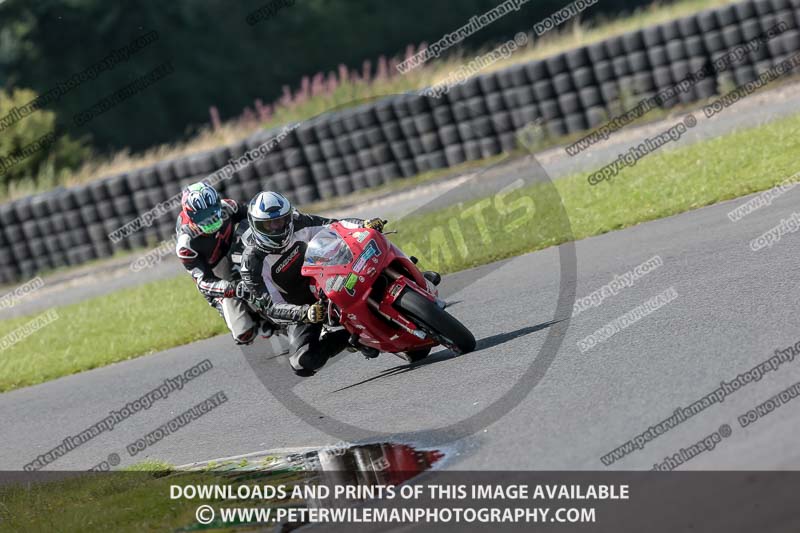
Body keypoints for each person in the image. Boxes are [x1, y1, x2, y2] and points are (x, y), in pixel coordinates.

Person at [239, 191, 440, 377]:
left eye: (282, 221)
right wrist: (304, 313)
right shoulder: (252, 263)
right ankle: (349, 336)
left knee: (371, 244)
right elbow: (270, 306)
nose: (278, 228)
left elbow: (336, 225)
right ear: (255, 225)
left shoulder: (299, 222)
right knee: (303, 363)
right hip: (302, 307)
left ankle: (414, 276)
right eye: (269, 225)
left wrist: (364, 224)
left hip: (328, 275)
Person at [175, 181, 273, 345]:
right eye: (201, 216)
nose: (210, 218)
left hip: (237, 248)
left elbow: (257, 217)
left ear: (217, 203)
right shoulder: (186, 244)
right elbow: (202, 281)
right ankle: (257, 318)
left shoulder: (228, 207)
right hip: (215, 271)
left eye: (212, 210)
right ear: (191, 215)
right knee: (243, 333)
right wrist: (228, 288)